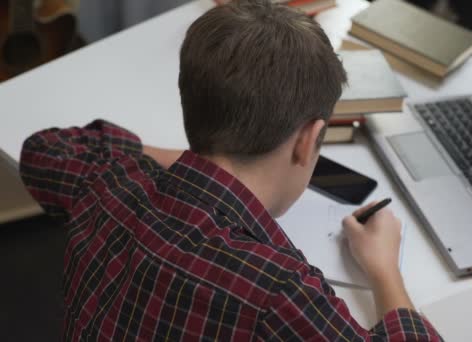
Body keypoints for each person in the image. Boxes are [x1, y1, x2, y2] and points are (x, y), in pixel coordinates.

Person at [19, 0, 442, 340]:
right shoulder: (280, 293)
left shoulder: (107, 186)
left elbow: (43, 150)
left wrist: (194, 158)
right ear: (309, 140)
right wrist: (384, 268)